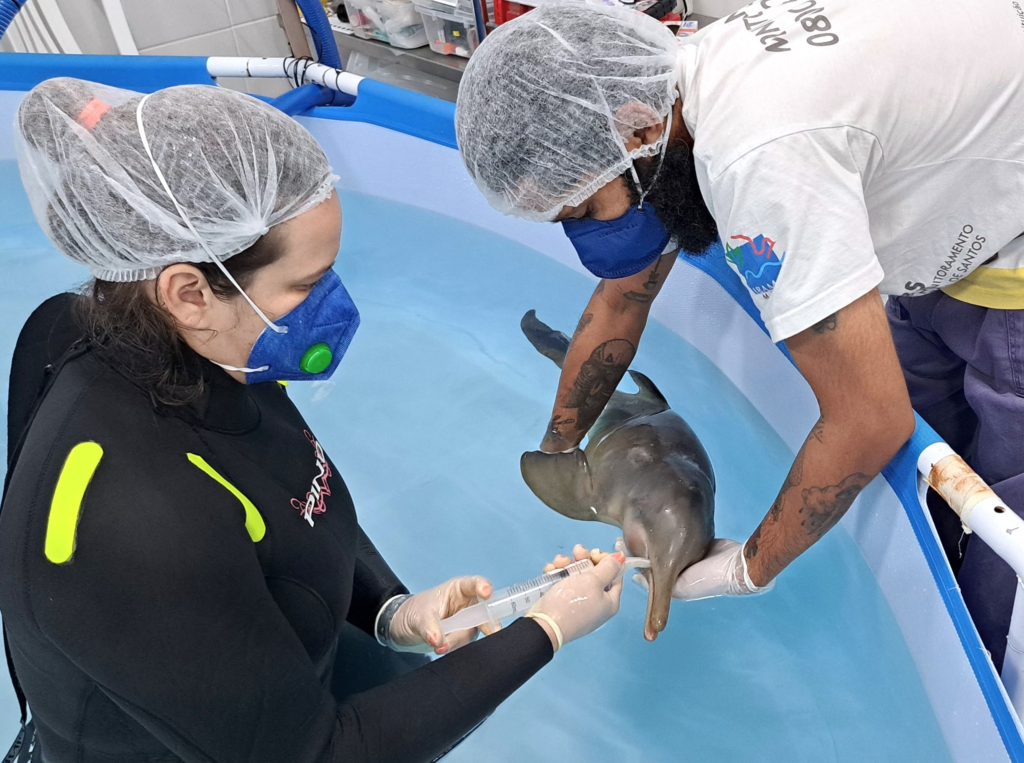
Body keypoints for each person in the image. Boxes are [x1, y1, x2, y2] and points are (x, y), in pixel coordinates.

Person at [0, 77, 626, 763]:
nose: (330, 303)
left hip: (271, 663)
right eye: (306, 284)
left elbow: (292, 484)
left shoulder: (197, 345)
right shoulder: (129, 519)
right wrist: (543, 631)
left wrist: (389, 609)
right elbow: (316, 755)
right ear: (188, 292)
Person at [455, 0, 1024, 669]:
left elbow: (870, 419)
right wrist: (560, 448)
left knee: (998, 510)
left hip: (1008, 255)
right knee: (922, 485)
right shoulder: (673, 100)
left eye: (583, 209)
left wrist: (747, 567)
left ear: (635, 131)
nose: (586, 232)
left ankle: (975, 669)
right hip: (946, 224)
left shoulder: (755, 159)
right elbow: (619, 304)